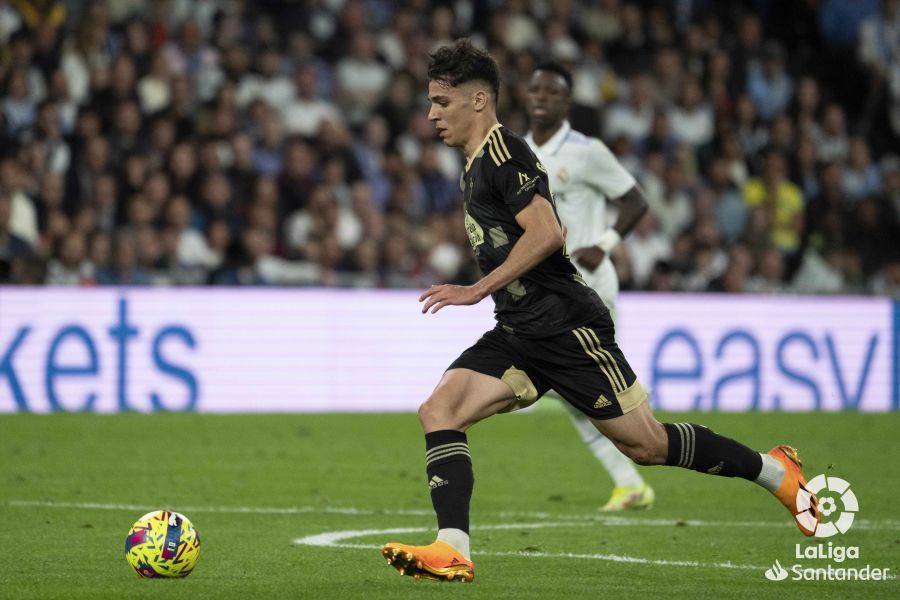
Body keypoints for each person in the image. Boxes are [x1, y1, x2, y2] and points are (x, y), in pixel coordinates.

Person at [382, 39, 819, 584]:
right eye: (430, 102)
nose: (430, 115)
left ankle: (777, 472)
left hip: (568, 327)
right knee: (439, 411)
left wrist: (476, 289)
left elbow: (547, 234)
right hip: (519, 329)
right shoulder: (472, 162)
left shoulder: (505, 155)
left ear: (478, 101)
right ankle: (453, 549)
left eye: (441, 103)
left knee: (647, 445)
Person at [524, 60, 654, 512]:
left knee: (583, 384)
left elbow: (636, 200)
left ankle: (645, 450)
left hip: (590, 286)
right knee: (572, 387)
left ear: (567, 102)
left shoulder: (587, 151)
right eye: (535, 89)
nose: (540, 96)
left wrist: (606, 242)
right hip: (546, 290)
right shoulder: (515, 152)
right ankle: (631, 477)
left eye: (551, 91)